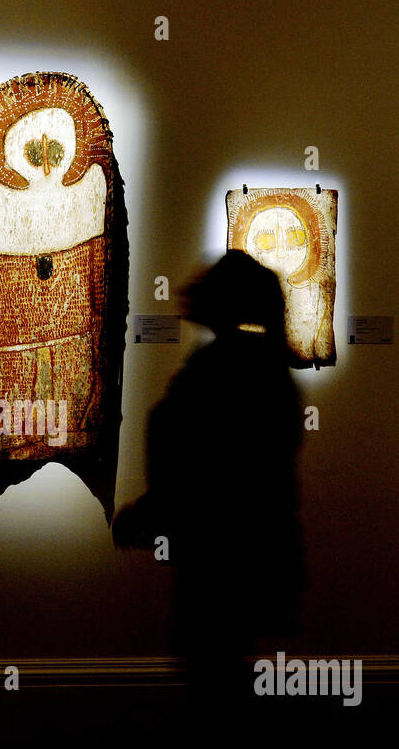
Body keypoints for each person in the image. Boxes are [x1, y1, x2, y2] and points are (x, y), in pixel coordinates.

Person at [113, 250, 306, 697]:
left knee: (212, 668)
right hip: (234, 546)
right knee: (216, 664)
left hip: (221, 549)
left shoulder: (229, 368)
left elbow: (209, 465)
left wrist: (153, 508)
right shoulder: (255, 364)